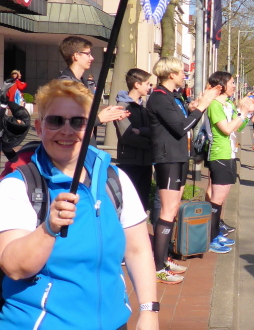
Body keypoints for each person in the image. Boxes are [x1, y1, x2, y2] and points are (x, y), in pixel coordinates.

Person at [0, 80, 158, 329]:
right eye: (56, 121)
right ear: (39, 128)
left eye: (78, 122)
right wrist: (48, 229)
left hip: (115, 323)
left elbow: (137, 250)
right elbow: (15, 268)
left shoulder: (114, 179)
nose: (67, 130)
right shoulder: (20, 185)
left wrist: (149, 312)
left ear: (90, 128)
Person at [147, 57, 221, 283]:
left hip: (179, 156)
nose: (184, 76)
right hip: (167, 158)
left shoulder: (174, 96)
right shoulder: (159, 97)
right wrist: (202, 107)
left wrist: (194, 107)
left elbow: (185, 120)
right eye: (181, 72)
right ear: (171, 74)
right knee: (167, 211)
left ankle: (164, 257)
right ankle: (157, 267)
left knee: (173, 210)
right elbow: (181, 128)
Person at [205, 71, 254, 253]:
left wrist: (246, 114)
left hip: (230, 153)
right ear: (222, 85)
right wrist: (242, 113)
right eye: (232, 83)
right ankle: (210, 238)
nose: (234, 86)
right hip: (220, 154)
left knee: (222, 197)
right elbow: (226, 129)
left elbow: (238, 127)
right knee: (216, 199)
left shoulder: (228, 104)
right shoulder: (215, 105)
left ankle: (216, 233)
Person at [57, 36, 129, 145]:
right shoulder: (66, 85)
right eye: (88, 54)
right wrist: (100, 118)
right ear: (76, 56)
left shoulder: (81, 82)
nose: (92, 58)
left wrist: (110, 114)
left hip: (85, 144)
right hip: (73, 147)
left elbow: (83, 115)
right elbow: (70, 121)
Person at [114, 68, 154, 212]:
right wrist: (151, 144)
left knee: (142, 203)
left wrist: (141, 131)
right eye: (147, 84)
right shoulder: (122, 107)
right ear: (137, 84)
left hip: (146, 162)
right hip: (129, 162)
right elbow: (127, 136)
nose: (149, 87)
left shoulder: (144, 108)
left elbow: (153, 130)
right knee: (129, 205)